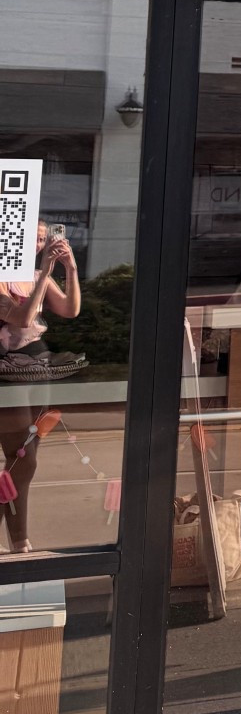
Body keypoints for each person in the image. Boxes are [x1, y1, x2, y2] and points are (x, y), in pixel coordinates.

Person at [0, 223, 84, 554]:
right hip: (7, 373)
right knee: (23, 458)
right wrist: (46, 270)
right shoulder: (4, 278)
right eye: (31, 238)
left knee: (24, 458)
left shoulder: (38, 275)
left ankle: (19, 540)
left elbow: (70, 309)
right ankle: (20, 541)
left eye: (41, 239)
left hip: (37, 370)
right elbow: (21, 317)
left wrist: (70, 268)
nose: (37, 244)